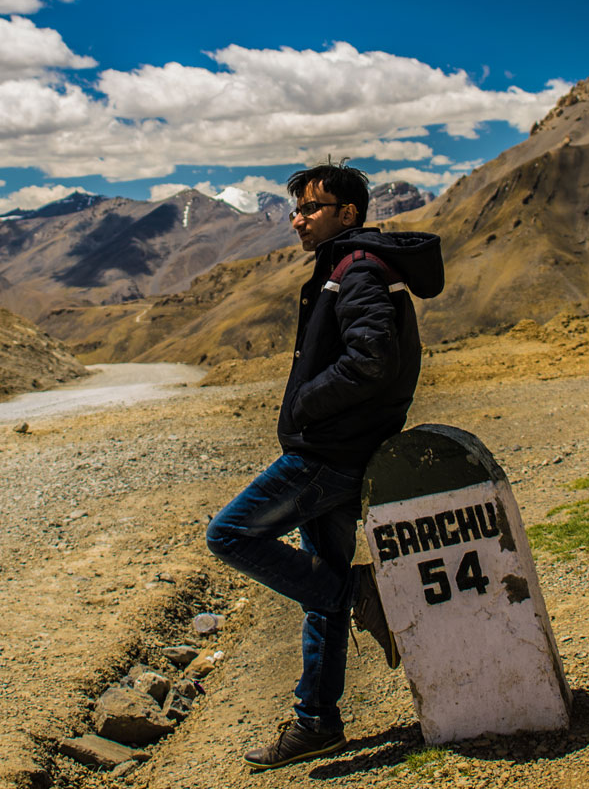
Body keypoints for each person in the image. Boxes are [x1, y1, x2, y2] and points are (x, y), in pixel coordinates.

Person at [205, 160, 443, 769]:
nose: (297, 219)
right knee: (319, 592)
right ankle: (317, 722)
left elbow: (372, 358)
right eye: (297, 208)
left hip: (327, 455)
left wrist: (307, 404)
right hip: (342, 447)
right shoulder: (346, 267)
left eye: (310, 208)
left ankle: (361, 588)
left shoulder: (357, 269)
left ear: (348, 214)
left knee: (229, 533)